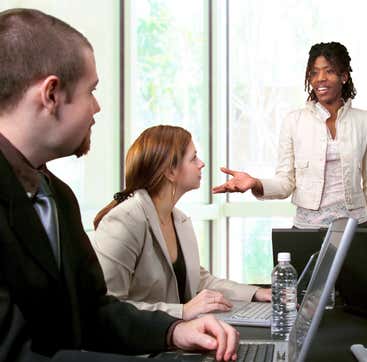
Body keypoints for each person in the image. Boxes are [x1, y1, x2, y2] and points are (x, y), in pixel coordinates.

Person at [0, 8, 237, 361]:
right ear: (50, 94)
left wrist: (173, 331)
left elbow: (94, 310)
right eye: (91, 92)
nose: (97, 108)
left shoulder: (57, 195)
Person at [212, 41, 367, 253]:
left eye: (329, 71)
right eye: (314, 73)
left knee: (357, 288)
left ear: (344, 76)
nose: (320, 78)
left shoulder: (365, 121)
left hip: (354, 229)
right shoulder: (294, 121)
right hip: (307, 230)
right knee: (303, 287)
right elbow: (285, 183)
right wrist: (255, 183)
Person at [92, 125, 271, 320]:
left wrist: (255, 293)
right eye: (193, 158)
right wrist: (182, 311)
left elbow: (199, 280)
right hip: (138, 347)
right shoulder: (124, 221)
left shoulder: (180, 220)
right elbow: (108, 307)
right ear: (170, 171)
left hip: (174, 338)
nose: (201, 163)